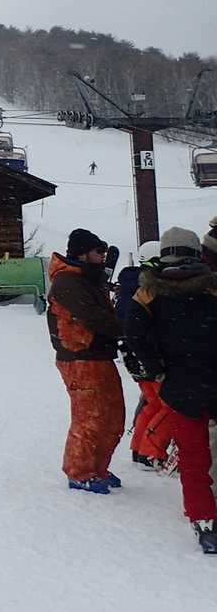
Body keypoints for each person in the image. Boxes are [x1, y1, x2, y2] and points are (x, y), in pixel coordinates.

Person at [126, 227, 217, 555]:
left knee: (193, 459)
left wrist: (157, 368)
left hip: (180, 386)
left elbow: (134, 333)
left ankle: (204, 521)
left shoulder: (149, 292)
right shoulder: (212, 286)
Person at [47, 228, 126, 493]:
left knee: (112, 417)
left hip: (99, 355)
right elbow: (95, 317)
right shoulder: (68, 282)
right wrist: (127, 328)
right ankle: (79, 472)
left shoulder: (88, 280)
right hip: (79, 358)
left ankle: (98, 467)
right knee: (89, 417)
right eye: (98, 251)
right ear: (82, 253)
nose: (103, 255)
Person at [116, 241, 174, 469]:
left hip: (134, 355)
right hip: (149, 355)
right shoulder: (149, 288)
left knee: (154, 403)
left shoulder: (128, 286)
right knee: (168, 406)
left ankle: (140, 449)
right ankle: (151, 452)